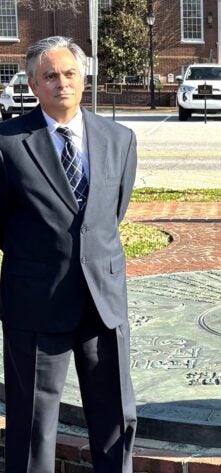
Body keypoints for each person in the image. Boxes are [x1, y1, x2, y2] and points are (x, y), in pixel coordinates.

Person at [0, 36, 138, 472]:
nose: (62, 82)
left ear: (84, 77)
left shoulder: (120, 138)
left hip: (104, 303)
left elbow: (109, 213)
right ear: (34, 86)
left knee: (116, 420)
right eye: (50, 76)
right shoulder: (7, 144)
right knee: (33, 430)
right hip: (36, 307)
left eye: (70, 73)